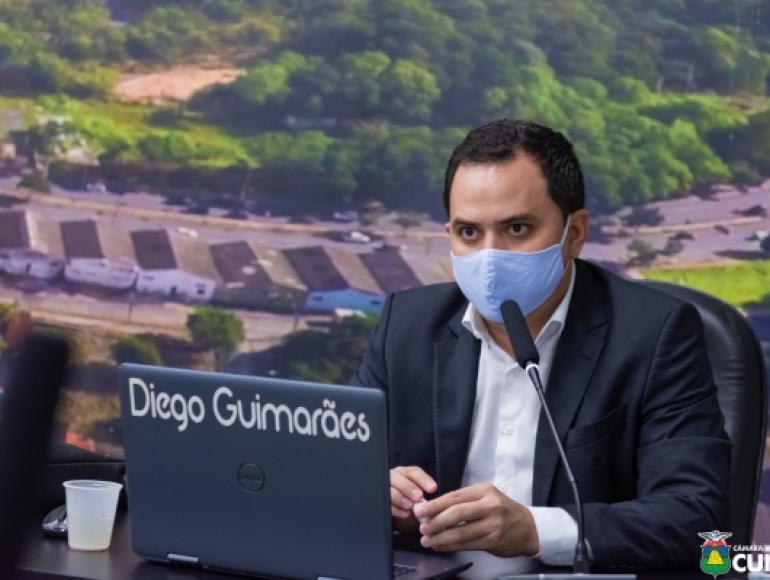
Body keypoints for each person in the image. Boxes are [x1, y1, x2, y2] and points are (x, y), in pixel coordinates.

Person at [350, 119, 730, 571]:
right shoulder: (408, 325)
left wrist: (536, 530)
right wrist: (374, 495)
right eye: (469, 233)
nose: (490, 257)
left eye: (517, 228)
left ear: (575, 233)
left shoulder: (653, 333)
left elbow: (697, 518)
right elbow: (338, 471)